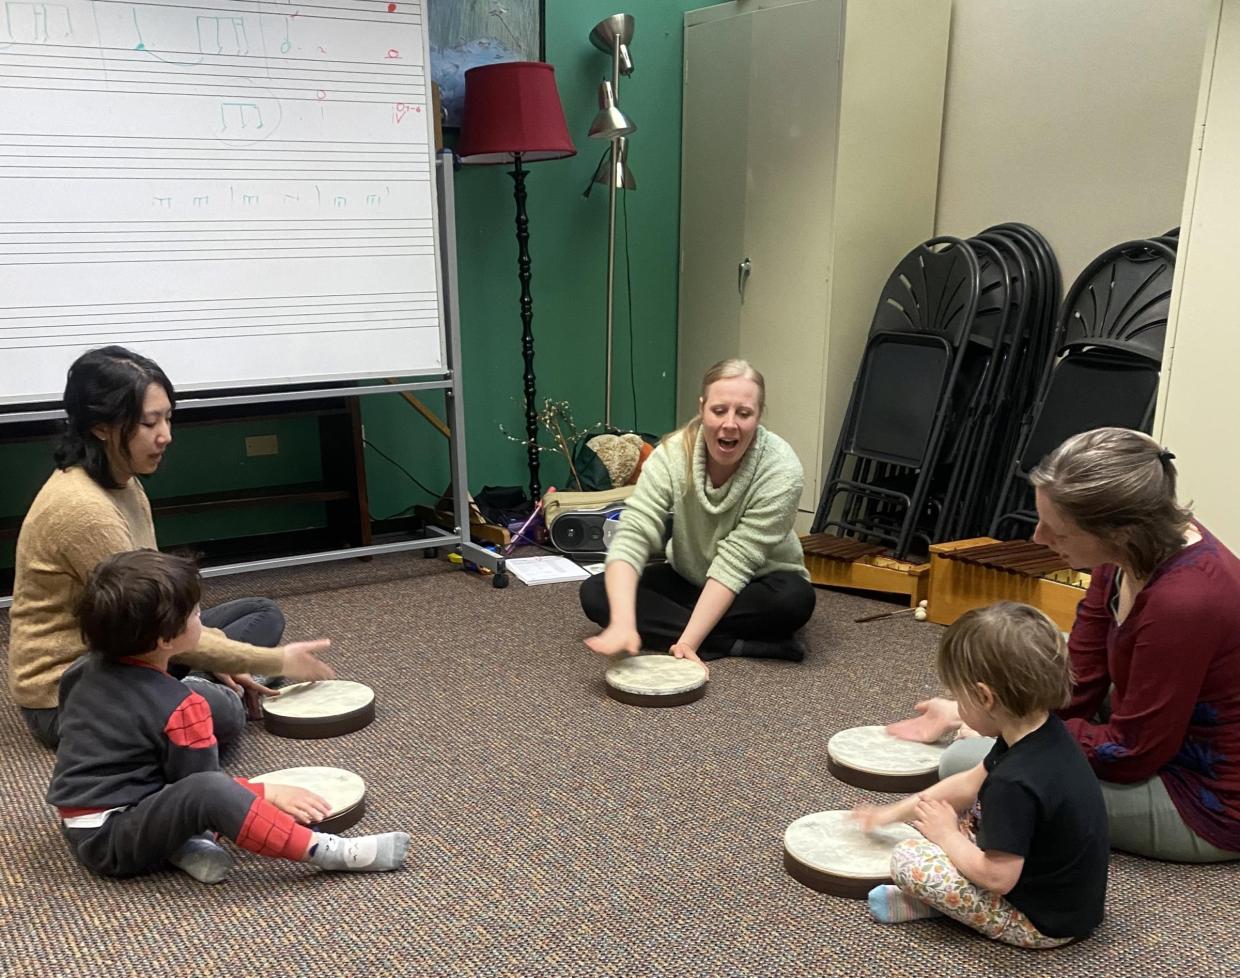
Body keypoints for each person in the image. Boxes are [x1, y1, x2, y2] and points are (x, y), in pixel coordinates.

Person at [888, 427, 1240, 863]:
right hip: (1162, 732)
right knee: (1034, 655)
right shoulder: (1131, 550)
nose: (1038, 539)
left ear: (1121, 532)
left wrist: (1001, 726)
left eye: (1058, 532)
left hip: (1204, 797)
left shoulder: (1185, 601)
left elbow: (1132, 753)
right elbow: (1076, 680)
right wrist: (993, 713)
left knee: (963, 762)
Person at [7, 346, 334, 752]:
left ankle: (191, 686)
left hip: (138, 650)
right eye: (149, 422)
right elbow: (152, 622)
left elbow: (165, 600)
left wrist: (220, 653)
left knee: (261, 612)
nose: (166, 435)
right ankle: (197, 691)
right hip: (72, 695)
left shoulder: (123, 481)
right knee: (223, 714)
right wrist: (272, 661)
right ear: (101, 427)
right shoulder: (84, 510)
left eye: (167, 417)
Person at [48, 549, 407, 883]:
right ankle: (329, 852)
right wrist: (266, 792)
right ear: (164, 641)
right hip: (114, 842)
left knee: (183, 780)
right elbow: (202, 788)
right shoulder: (182, 706)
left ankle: (184, 845)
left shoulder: (80, 671)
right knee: (212, 788)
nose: (201, 615)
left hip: (81, 824)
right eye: (194, 613)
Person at [857, 602, 1108, 948]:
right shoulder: (1040, 732)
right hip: (1064, 899)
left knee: (908, 859)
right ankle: (945, 898)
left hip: (1041, 923)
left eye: (957, 697)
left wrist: (946, 836)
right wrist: (891, 813)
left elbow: (998, 877)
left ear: (984, 697)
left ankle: (939, 906)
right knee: (953, 818)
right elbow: (968, 783)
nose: (955, 705)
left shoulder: (1014, 783)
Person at [580, 359, 816, 667]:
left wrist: (689, 643)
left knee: (795, 601)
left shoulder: (782, 470)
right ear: (702, 408)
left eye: (743, 413)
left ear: (758, 416)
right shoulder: (672, 455)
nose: (730, 423)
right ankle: (734, 643)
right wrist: (623, 621)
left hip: (758, 583)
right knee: (597, 593)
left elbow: (737, 563)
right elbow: (634, 532)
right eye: (719, 411)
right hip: (689, 577)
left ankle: (693, 635)